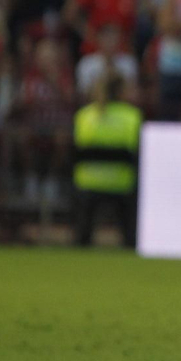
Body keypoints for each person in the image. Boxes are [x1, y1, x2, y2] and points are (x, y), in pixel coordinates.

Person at [71, 71, 142, 248]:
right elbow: (136, 153)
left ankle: (82, 241)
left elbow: (78, 149)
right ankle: (130, 242)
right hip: (121, 184)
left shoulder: (84, 116)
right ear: (121, 92)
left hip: (87, 183)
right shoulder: (132, 117)